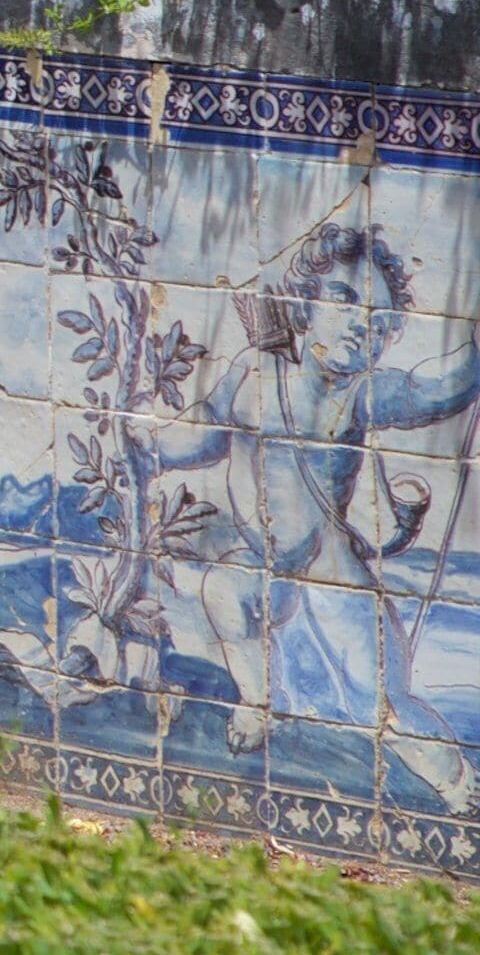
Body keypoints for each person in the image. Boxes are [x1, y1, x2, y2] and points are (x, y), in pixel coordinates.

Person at [158, 220, 480, 811]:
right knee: (225, 593)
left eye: (380, 320)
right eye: (344, 300)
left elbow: (433, 389)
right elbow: (203, 430)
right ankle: (257, 701)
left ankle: (460, 786)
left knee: (382, 696)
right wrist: (142, 445)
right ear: (305, 302)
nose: (363, 323)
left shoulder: (359, 394)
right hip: (260, 558)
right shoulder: (255, 374)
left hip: (329, 563)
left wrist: (475, 355)